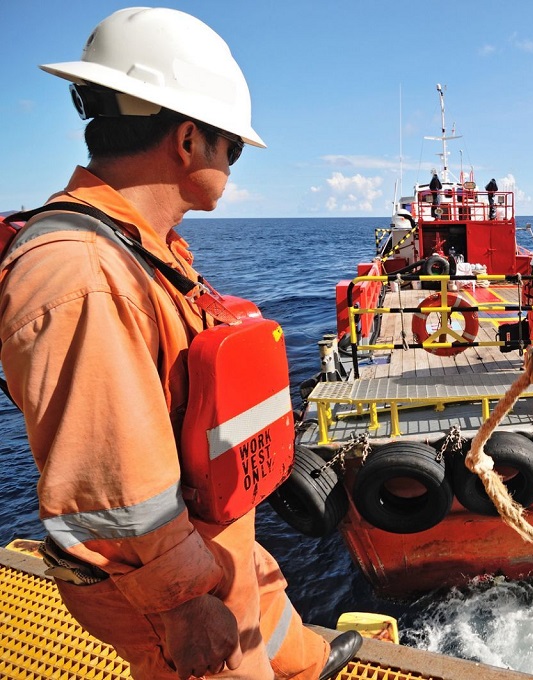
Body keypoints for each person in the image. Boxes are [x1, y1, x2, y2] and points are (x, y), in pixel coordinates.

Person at [0, 8, 361, 680]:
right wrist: (182, 608)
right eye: (231, 145)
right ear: (190, 139)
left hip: (204, 536)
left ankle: (309, 662)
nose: (234, 163)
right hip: (164, 583)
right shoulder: (84, 275)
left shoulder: (141, 249)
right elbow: (109, 485)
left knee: (265, 597)